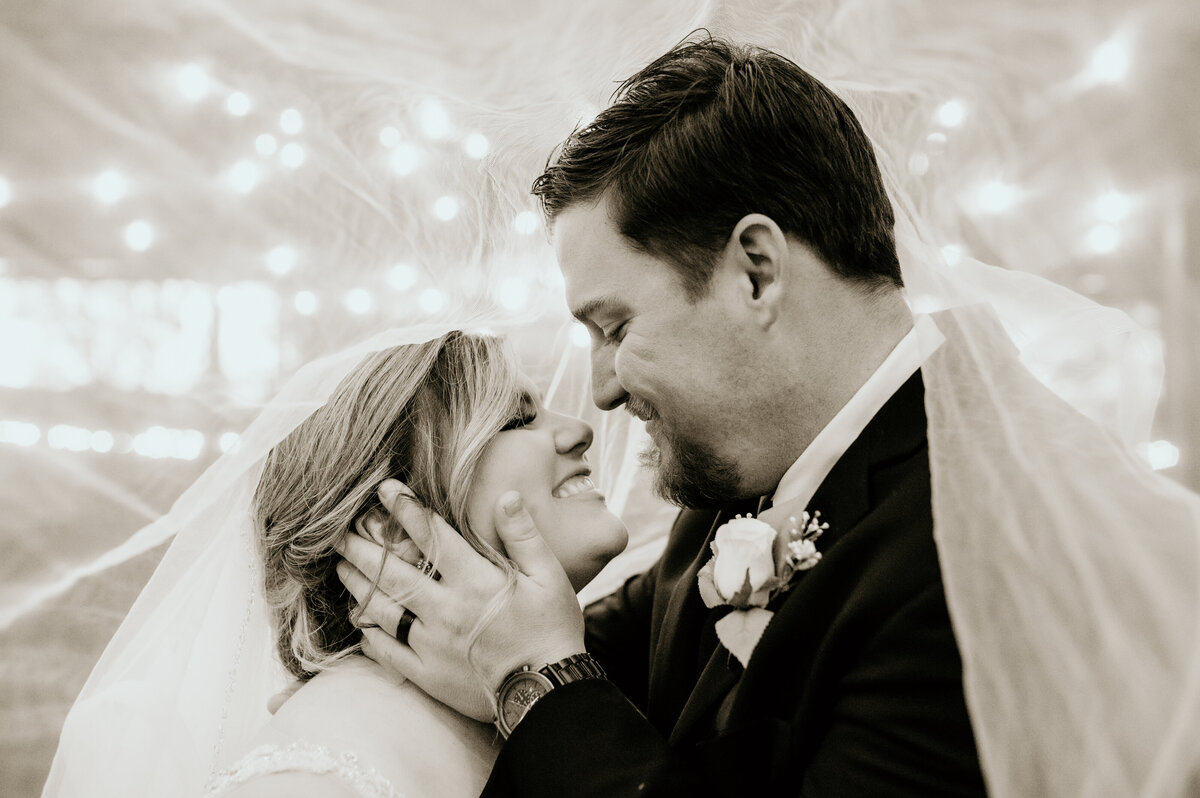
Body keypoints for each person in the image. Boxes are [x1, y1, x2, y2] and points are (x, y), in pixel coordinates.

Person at [337, 35, 1200, 798]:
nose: (597, 390)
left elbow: (558, 677)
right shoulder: (751, 468)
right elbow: (609, 645)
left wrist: (533, 679)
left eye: (616, 327)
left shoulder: (1002, 557)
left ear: (755, 270)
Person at [43, 329, 631, 797]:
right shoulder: (311, 783)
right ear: (393, 530)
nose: (580, 430)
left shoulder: (539, 707)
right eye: (518, 419)